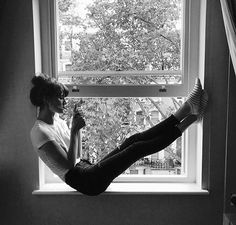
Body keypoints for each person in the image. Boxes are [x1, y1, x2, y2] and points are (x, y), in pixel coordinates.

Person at [30, 74, 208, 196]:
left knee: (133, 140)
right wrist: (75, 130)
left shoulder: (58, 121)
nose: (64, 101)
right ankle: (189, 111)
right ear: (46, 99)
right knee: (137, 148)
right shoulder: (40, 132)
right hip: (86, 182)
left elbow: (76, 156)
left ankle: (191, 114)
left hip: (85, 168)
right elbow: (68, 165)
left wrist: (77, 130)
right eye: (60, 97)